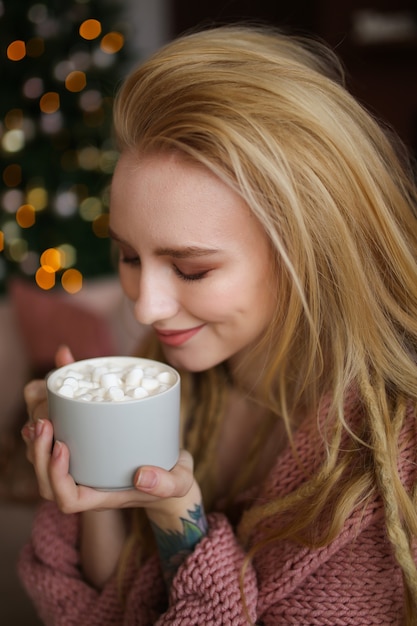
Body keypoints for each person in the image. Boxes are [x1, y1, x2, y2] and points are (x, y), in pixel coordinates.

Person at [18, 23, 417, 625]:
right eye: (129, 256)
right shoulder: (168, 371)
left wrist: (180, 524)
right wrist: (96, 492)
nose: (145, 307)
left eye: (191, 269)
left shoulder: (391, 462)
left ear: (307, 254)